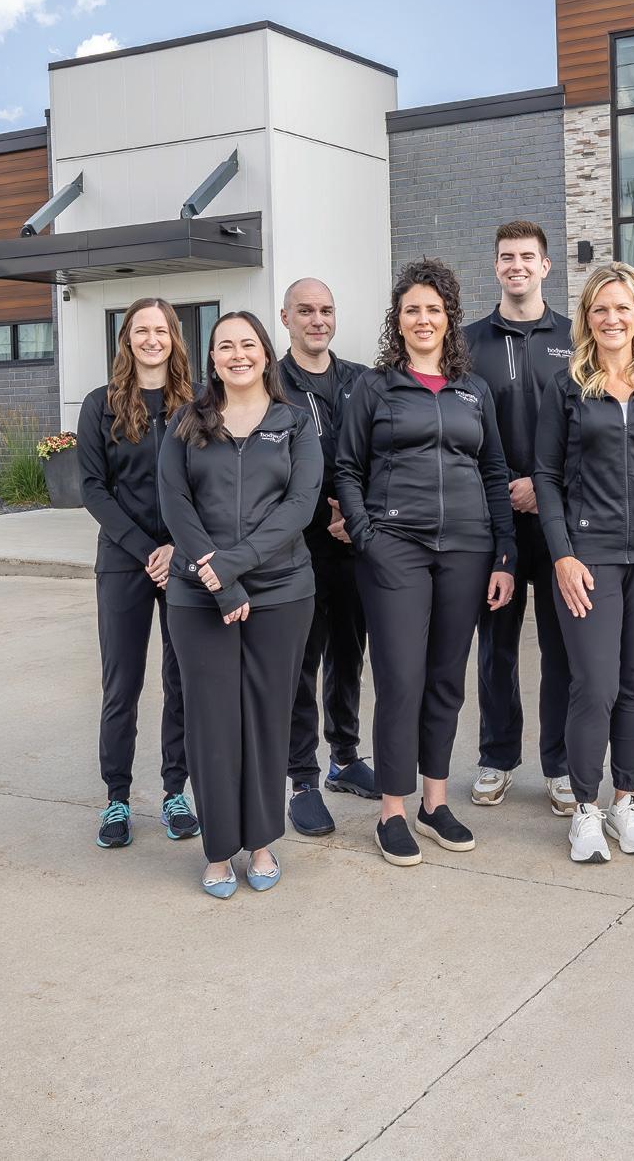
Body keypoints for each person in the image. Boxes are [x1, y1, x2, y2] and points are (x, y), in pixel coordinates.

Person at [335, 258, 516, 868]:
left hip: (466, 549)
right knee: (400, 679)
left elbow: (494, 471)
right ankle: (392, 809)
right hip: (395, 549)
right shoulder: (375, 387)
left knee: (445, 679)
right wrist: (366, 535)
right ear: (398, 319)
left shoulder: (473, 390)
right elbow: (347, 468)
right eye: (411, 309)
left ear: (449, 318)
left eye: (433, 309)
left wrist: (504, 554)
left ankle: (434, 804)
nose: (422, 319)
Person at [534, 261, 634, 864]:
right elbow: (546, 477)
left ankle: (625, 801)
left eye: (623, 307)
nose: (612, 318)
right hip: (590, 556)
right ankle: (585, 809)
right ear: (587, 317)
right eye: (600, 308)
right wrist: (562, 555)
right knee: (595, 686)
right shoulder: (567, 386)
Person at [158, 311, 322, 898]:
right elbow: (175, 504)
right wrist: (219, 579)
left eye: (248, 344)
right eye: (225, 345)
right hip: (198, 594)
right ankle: (219, 850)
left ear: (266, 353)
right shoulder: (186, 421)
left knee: (267, 719)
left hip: (281, 591)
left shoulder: (293, 422)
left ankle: (262, 842)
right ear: (212, 358)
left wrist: (236, 564)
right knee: (211, 722)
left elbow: (300, 505)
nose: (238, 354)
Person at [77, 297, 198, 850]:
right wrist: (148, 549)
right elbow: (93, 489)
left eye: (161, 330)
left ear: (174, 338)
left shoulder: (196, 405)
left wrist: (176, 548)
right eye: (141, 330)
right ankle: (117, 799)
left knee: (182, 681)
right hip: (123, 561)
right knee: (121, 684)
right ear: (126, 338)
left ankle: (176, 792)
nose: (152, 339)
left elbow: (206, 484)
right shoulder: (100, 405)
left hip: (184, 563)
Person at [464, 221, 575, 816]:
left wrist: (543, 485)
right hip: (493, 522)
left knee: (562, 652)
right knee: (496, 650)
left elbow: (587, 428)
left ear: (545, 266)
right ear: (496, 266)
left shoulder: (576, 338)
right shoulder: (467, 343)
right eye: (507, 257)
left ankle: (560, 766)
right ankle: (497, 757)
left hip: (560, 522)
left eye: (527, 257)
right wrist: (505, 486)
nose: (517, 266)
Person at [277, 277, 376, 840]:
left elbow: (376, 452)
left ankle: (344, 757)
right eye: (306, 311)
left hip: (353, 542)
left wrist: (354, 513)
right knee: (301, 664)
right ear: (286, 318)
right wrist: (323, 511)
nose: (318, 320)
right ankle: (302, 779)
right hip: (298, 546)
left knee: (348, 652)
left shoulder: (361, 380)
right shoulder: (273, 384)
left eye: (326, 311)